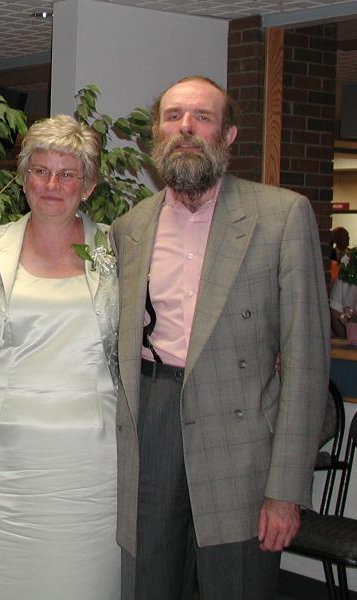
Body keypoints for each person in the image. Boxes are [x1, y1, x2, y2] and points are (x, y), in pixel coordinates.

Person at [110, 76, 329, 599]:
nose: (185, 128)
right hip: (152, 427)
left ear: (228, 135)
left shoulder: (281, 215)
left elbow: (307, 362)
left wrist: (285, 491)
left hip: (242, 444)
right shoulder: (128, 228)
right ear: (155, 135)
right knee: (150, 587)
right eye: (173, 116)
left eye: (201, 118)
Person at [0, 115, 120, 599]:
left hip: (91, 458)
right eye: (41, 171)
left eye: (67, 173)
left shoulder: (112, 249)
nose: (53, 184)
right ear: (24, 176)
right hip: (2, 459)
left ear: (88, 185)